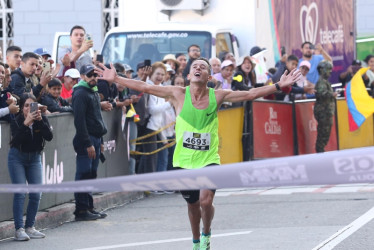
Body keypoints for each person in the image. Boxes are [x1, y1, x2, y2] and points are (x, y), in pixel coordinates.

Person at [96, 58, 300, 250]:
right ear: (188, 75)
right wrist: (116, 79)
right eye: (195, 66)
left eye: (203, 67)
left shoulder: (218, 96)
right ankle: (195, 241)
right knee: (193, 204)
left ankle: (206, 234)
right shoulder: (177, 93)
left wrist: (278, 86)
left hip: (209, 159)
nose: (198, 68)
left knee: (205, 200)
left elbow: (249, 94)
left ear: (209, 77)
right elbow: (146, 87)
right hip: (184, 161)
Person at [8, 93, 53, 241]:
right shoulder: (17, 120)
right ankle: (19, 229)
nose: (29, 109)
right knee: (20, 193)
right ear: (21, 108)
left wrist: (40, 121)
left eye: (32, 105)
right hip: (17, 158)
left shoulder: (40, 118)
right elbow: (15, 141)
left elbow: (49, 136)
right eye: (26, 106)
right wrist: (26, 123)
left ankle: (30, 227)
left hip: (34, 158)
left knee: (36, 193)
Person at [71, 64, 108, 221]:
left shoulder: (92, 91)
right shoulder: (80, 93)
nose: (93, 77)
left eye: (95, 75)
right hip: (86, 139)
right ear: (82, 76)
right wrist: (88, 143)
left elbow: (97, 118)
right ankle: (81, 210)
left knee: (91, 174)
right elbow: (80, 121)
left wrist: (101, 140)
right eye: (89, 75)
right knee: (83, 174)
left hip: (96, 137)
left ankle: (89, 207)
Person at [314, 61, 336, 153]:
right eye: (328, 69)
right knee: (323, 132)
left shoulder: (325, 82)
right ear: (322, 70)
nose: (330, 72)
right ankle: (320, 151)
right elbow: (321, 93)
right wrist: (332, 94)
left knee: (326, 131)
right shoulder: (321, 82)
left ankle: (321, 150)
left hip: (327, 111)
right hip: (323, 112)